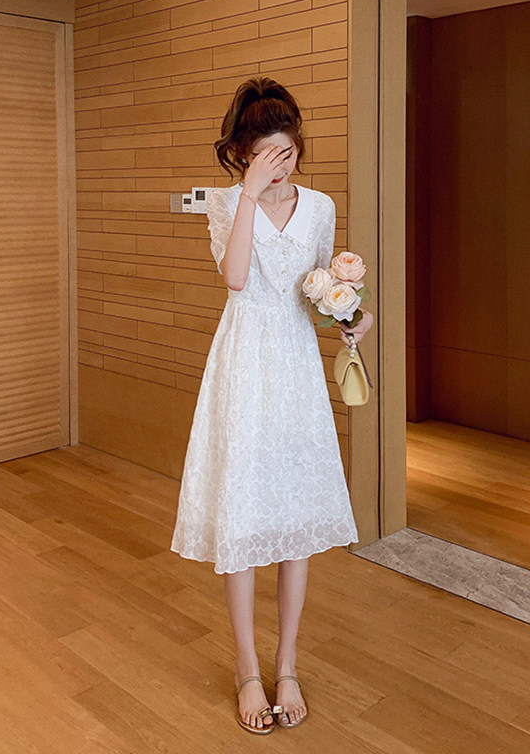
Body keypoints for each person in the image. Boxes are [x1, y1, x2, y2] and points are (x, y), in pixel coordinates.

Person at [170, 76, 374, 734]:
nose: (279, 167)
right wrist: (250, 195)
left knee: (293, 517)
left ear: (298, 147)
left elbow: (317, 289)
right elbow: (234, 279)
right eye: (264, 157)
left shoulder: (321, 207)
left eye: (286, 154)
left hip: (294, 366)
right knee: (245, 514)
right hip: (243, 363)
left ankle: (287, 664)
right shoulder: (228, 203)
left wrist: (351, 318)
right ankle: (247, 668)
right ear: (243, 154)